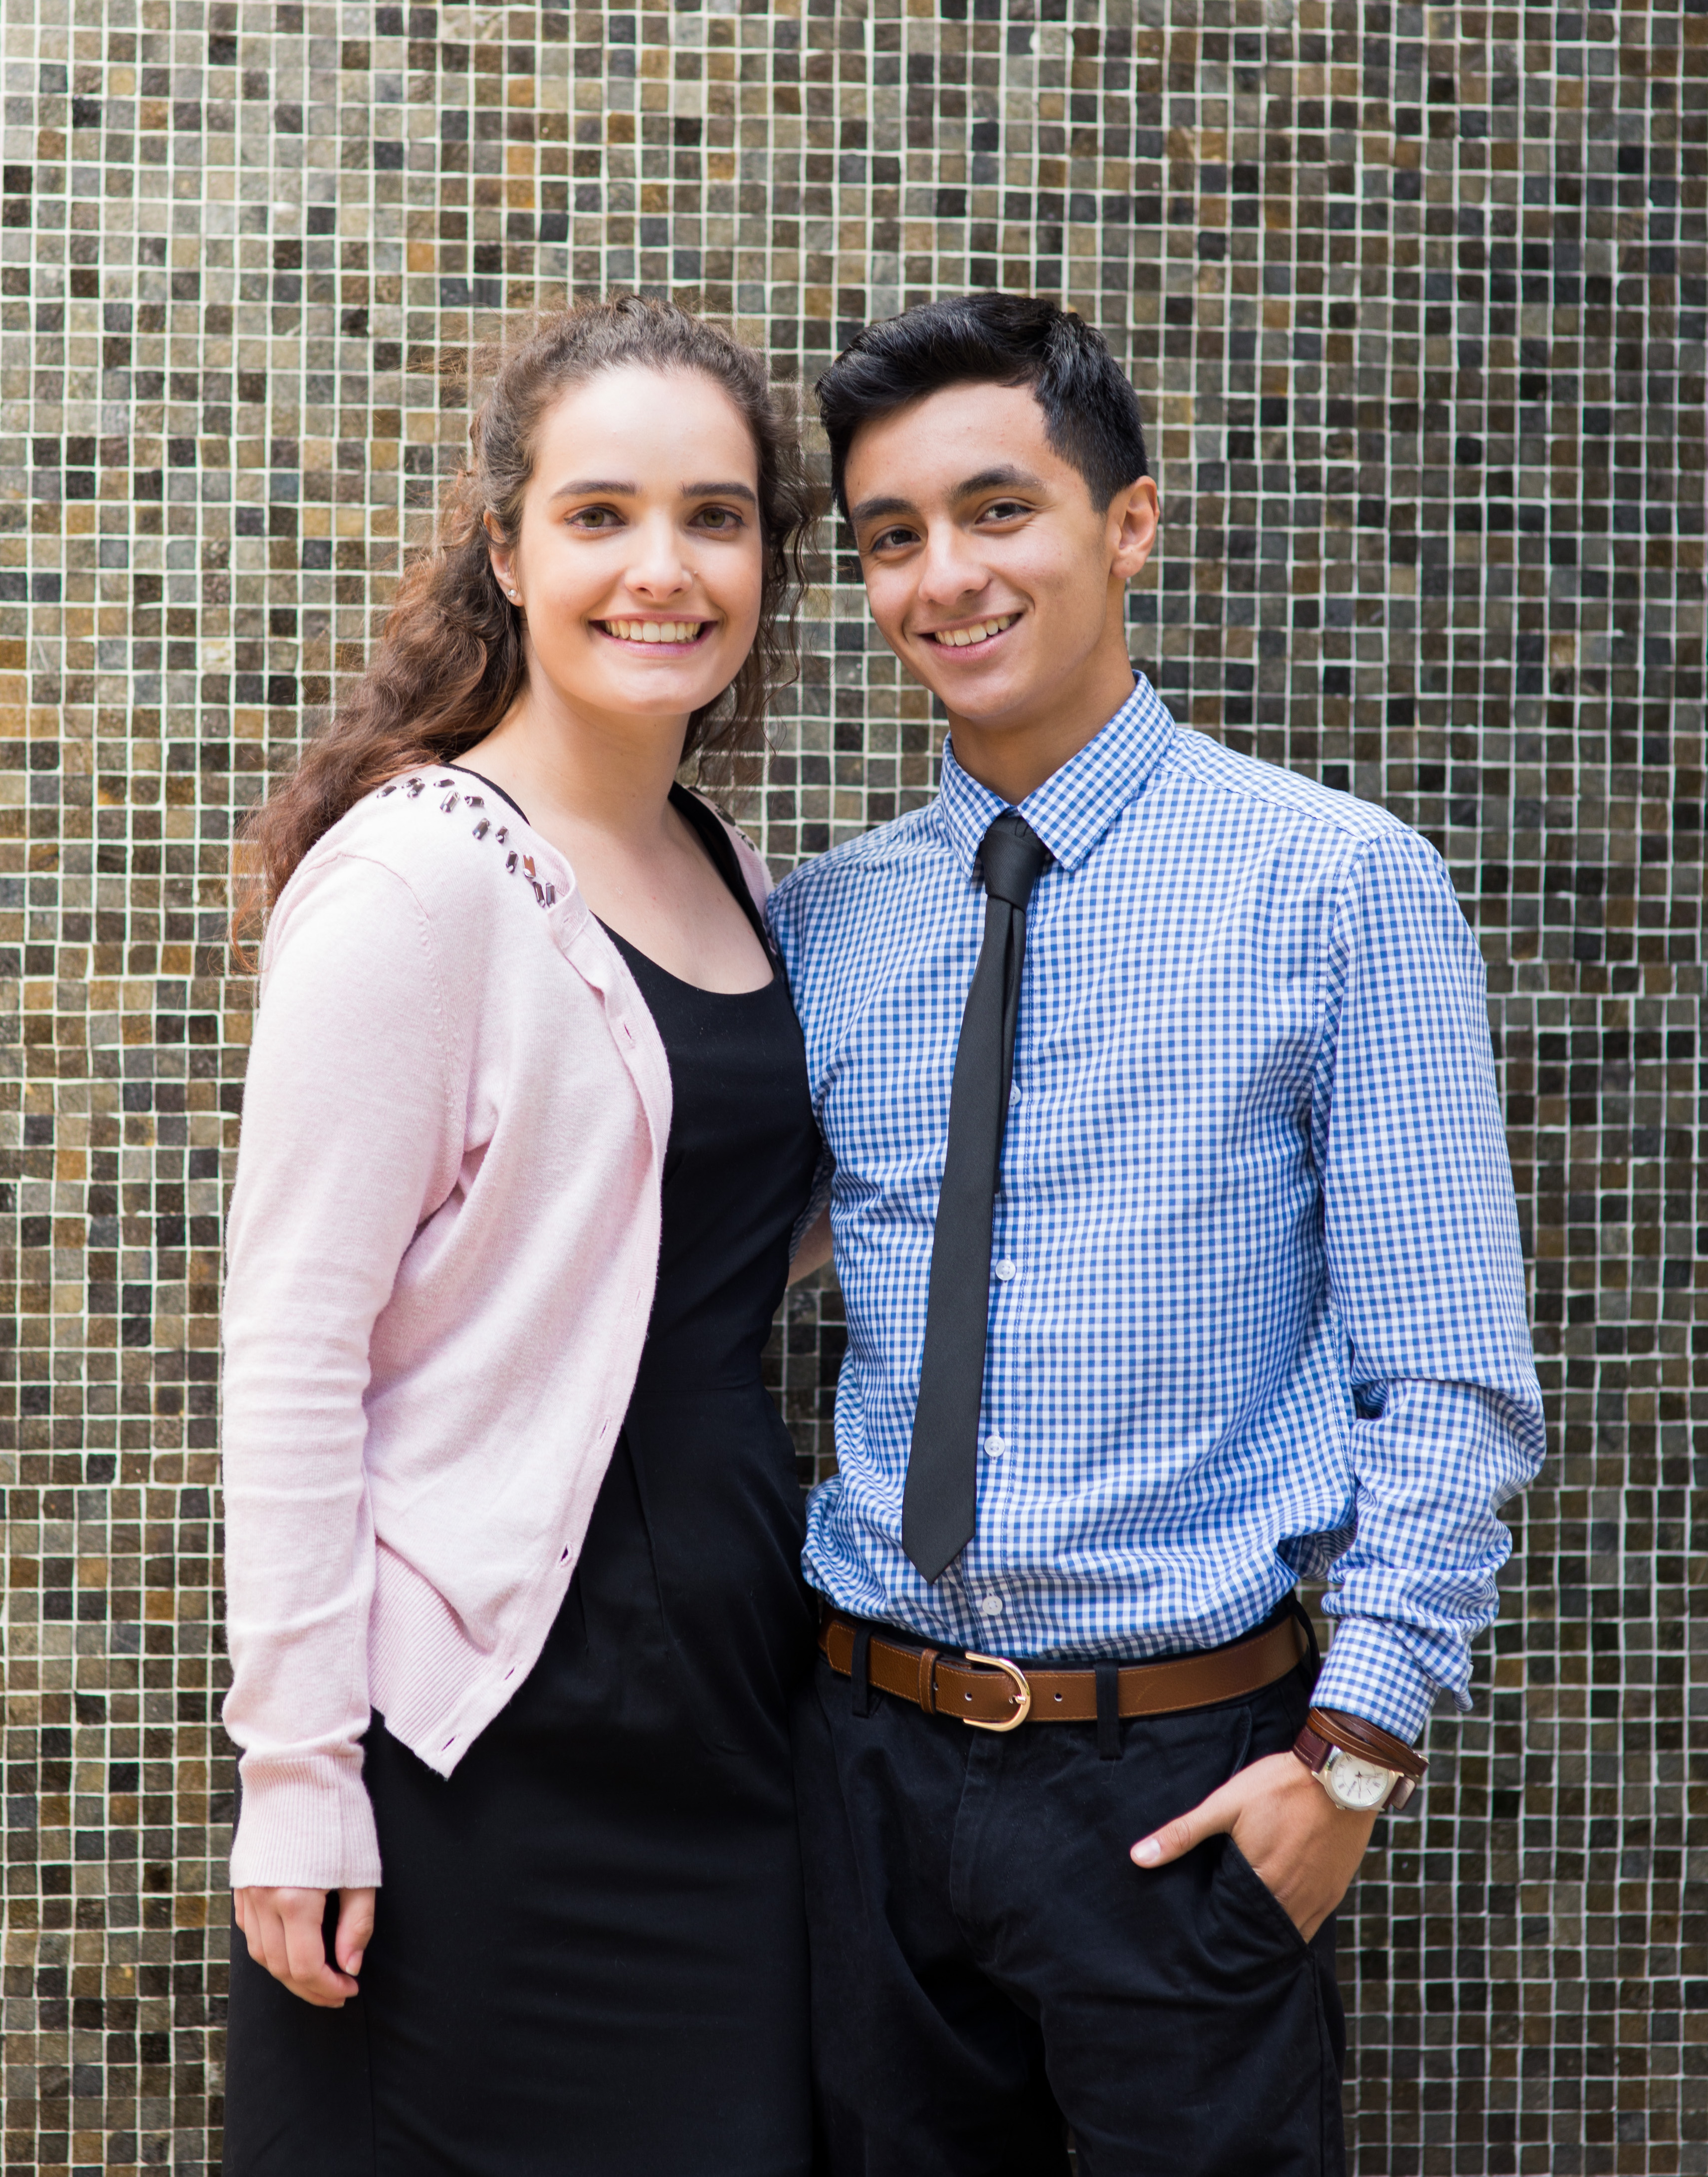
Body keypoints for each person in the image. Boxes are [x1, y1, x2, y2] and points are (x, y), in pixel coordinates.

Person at [766, 292, 1546, 2176]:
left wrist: (1348, 1766)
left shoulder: (1335, 885)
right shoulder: (825, 924)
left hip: (1182, 1781)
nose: (945, 576)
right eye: (892, 537)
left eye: (998, 509)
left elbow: (1449, 1374)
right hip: (861, 1762)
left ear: (1129, 523)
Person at [216, 295, 824, 2176]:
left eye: (717, 518)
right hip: (482, 1740)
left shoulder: (719, 859)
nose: (666, 569)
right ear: (507, 547)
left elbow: (670, 1232)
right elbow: (296, 1347)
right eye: (600, 515)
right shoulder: (420, 878)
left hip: (731, 1712)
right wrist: (300, 1773)